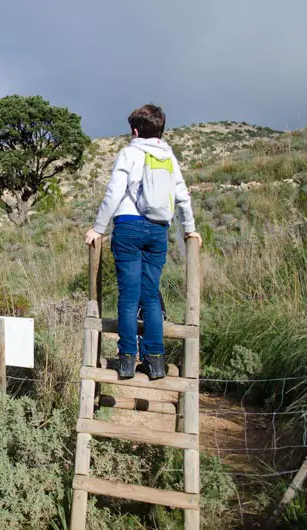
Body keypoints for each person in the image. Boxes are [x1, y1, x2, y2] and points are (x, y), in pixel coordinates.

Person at [84, 104, 201, 380]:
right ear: (161, 129)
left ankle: (126, 360)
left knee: (127, 297)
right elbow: (183, 197)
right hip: (158, 230)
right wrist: (190, 229)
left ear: (135, 130)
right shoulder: (169, 157)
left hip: (128, 228)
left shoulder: (129, 153)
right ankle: (155, 362)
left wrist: (98, 228)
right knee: (149, 296)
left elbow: (114, 193)